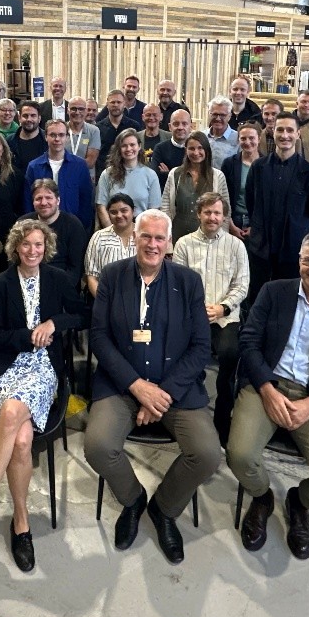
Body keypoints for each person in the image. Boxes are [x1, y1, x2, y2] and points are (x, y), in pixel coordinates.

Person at [85, 209, 220, 565]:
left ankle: (164, 508)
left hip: (175, 389)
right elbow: (99, 338)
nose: (152, 244)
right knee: (98, 446)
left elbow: (201, 348)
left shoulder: (188, 282)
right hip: (122, 384)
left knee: (207, 454)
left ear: (169, 243)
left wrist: (163, 394)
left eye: (160, 238)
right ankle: (133, 500)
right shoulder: (112, 277)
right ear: (135, 238)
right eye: (146, 236)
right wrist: (137, 386)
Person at [0, 219, 83, 573]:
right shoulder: (0, 284)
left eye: (38, 244)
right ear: (15, 248)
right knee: (22, 441)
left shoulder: (58, 279)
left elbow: (83, 313)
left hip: (43, 370)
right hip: (5, 368)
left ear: (46, 247)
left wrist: (53, 324)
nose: (32, 250)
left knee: (11, 416)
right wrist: (26, 336)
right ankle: (20, 521)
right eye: (26, 245)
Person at [228, 231, 309, 559]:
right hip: (266, 385)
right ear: (299, 260)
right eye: (308, 261)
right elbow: (248, 341)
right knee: (240, 456)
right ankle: (262, 497)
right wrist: (267, 389)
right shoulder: (273, 292)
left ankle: (298, 502)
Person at [172, 193, 249, 444]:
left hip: (225, 315)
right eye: (207, 212)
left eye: (217, 213)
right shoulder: (183, 244)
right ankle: (191, 413)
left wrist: (223, 308)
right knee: (187, 358)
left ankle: (223, 419)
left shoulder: (236, 246)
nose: (212, 217)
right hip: (192, 316)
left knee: (230, 354)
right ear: (198, 214)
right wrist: (198, 310)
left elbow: (242, 284)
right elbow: (178, 285)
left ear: (224, 216)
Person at [246, 113, 309, 302]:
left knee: (287, 300)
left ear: (298, 134)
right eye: (280, 130)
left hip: (292, 251)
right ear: (273, 132)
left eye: (290, 130)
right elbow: (251, 203)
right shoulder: (258, 168)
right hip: (261, 249)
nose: (284, 135)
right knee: (257, 298)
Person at [24, 118, 95, 229]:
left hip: (71, 227)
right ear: (46, 137)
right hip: (41, 227)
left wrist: (81, 227)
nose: (57, 139)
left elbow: (86, 200)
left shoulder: (79, 165)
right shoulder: (34, 166)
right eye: (52, 135)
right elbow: (28, 201)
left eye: (61, 135)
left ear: (67, 137)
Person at [160, 131, 229, 243]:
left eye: (200, 148)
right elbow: (165, 207)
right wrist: (165, 236)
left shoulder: (217, 176)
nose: (196, 152)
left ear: (206, 150)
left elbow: (225, 211)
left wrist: (222, 239)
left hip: (209, 237)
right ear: (186, 150)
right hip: (178, 235)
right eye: (191, 148)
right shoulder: (174, 174)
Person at [29, 179, 88, 288]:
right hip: (29, 284)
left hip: (62, 286)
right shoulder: (24, 224)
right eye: (38, 198)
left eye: (48, 198)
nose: (43, 203)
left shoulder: (73, 225)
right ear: (33, 202)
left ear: (58, 200)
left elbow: (75, 269)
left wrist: (57, 292)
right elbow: (14, 261)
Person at [96, 128, 162, 225]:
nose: (128, 149)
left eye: (132, 145)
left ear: (139, 146)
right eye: (124, 146)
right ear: (119, 149)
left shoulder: (150, 175)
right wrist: (110, 231)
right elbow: (101, 207)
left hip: (141, 227)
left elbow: (154, 210)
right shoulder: (107, 174)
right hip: (114, 226)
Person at [84, 193, 138, 298]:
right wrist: (104, 302)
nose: (119, 215)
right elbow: (92, 277)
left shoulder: (144, 236)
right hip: (105, 299)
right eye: (113, 212)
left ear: (133, 211)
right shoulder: (99, 237)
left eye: (124, 211)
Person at [224, 123, 261, 241]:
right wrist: (230, 225)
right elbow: (223, 195)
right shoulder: (229, 164)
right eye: (243, 138)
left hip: (258, 222)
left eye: (251, 138)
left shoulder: (267, 165)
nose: (247, 142)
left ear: (259, 139)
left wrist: (255, 226)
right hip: (234, 220)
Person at [96, 89, 141, 170]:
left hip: (129, 171)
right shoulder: (98, 128)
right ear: (107, 104)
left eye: (119, 102)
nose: (116, 105)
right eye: (112, 102)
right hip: (104, 172)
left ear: (124, 104)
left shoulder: (134, 126)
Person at [152, 108, 191, 189]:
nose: (180, 127)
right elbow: (156, 178)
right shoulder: (160, 149)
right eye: (176, 124)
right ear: (170, 127)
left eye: (184, 124)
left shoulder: (196, 150)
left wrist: (168, 173)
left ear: (190, 126)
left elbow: (197, 178)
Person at [65, 98, 100, 176]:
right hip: (63, 177)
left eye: (81, 109)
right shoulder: (61, 129)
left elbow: (90, 162)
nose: (77, 112)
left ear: (85, 111)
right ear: (68, 110)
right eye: (73, 109)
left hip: (85, 177)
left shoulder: (94, 131)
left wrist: (67, 166)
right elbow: (56, 158)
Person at [9, 99, 47, 170]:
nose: (29, 119)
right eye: (25, 116)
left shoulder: (48, 141)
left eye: (33, 116)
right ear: (19, 118)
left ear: (39, 118)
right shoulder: (9, 142)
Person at [204, 96, 239, 167]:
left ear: (229, 116)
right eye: (215, 114)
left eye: (222, 115)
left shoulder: (238, 139)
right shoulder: (202, 136)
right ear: (209, 114)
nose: (218, 118)